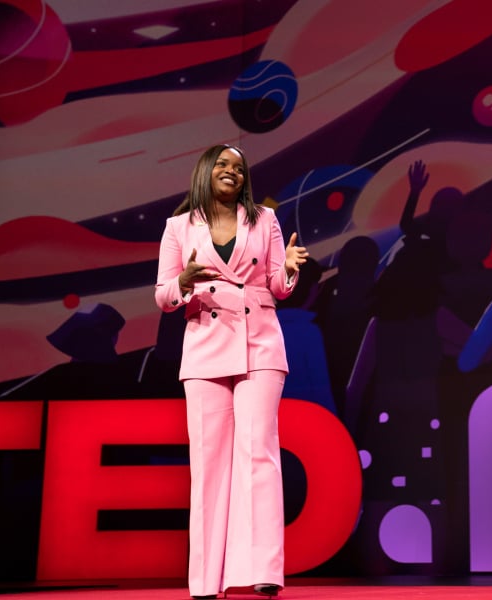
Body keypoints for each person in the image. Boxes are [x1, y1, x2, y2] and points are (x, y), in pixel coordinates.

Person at [154, 144, 308, 599]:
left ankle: (264, 571)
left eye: (239, 168)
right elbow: (163, 294)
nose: (232, 172)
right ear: (205, 171)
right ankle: (204, 581)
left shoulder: (265, 220)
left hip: (259, 342)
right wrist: (182, 284)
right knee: (208, 463)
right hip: (205, 347)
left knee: (259, 452)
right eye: (223, 165)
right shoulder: (178, 227)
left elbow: (278, 286)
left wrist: (292, 270)